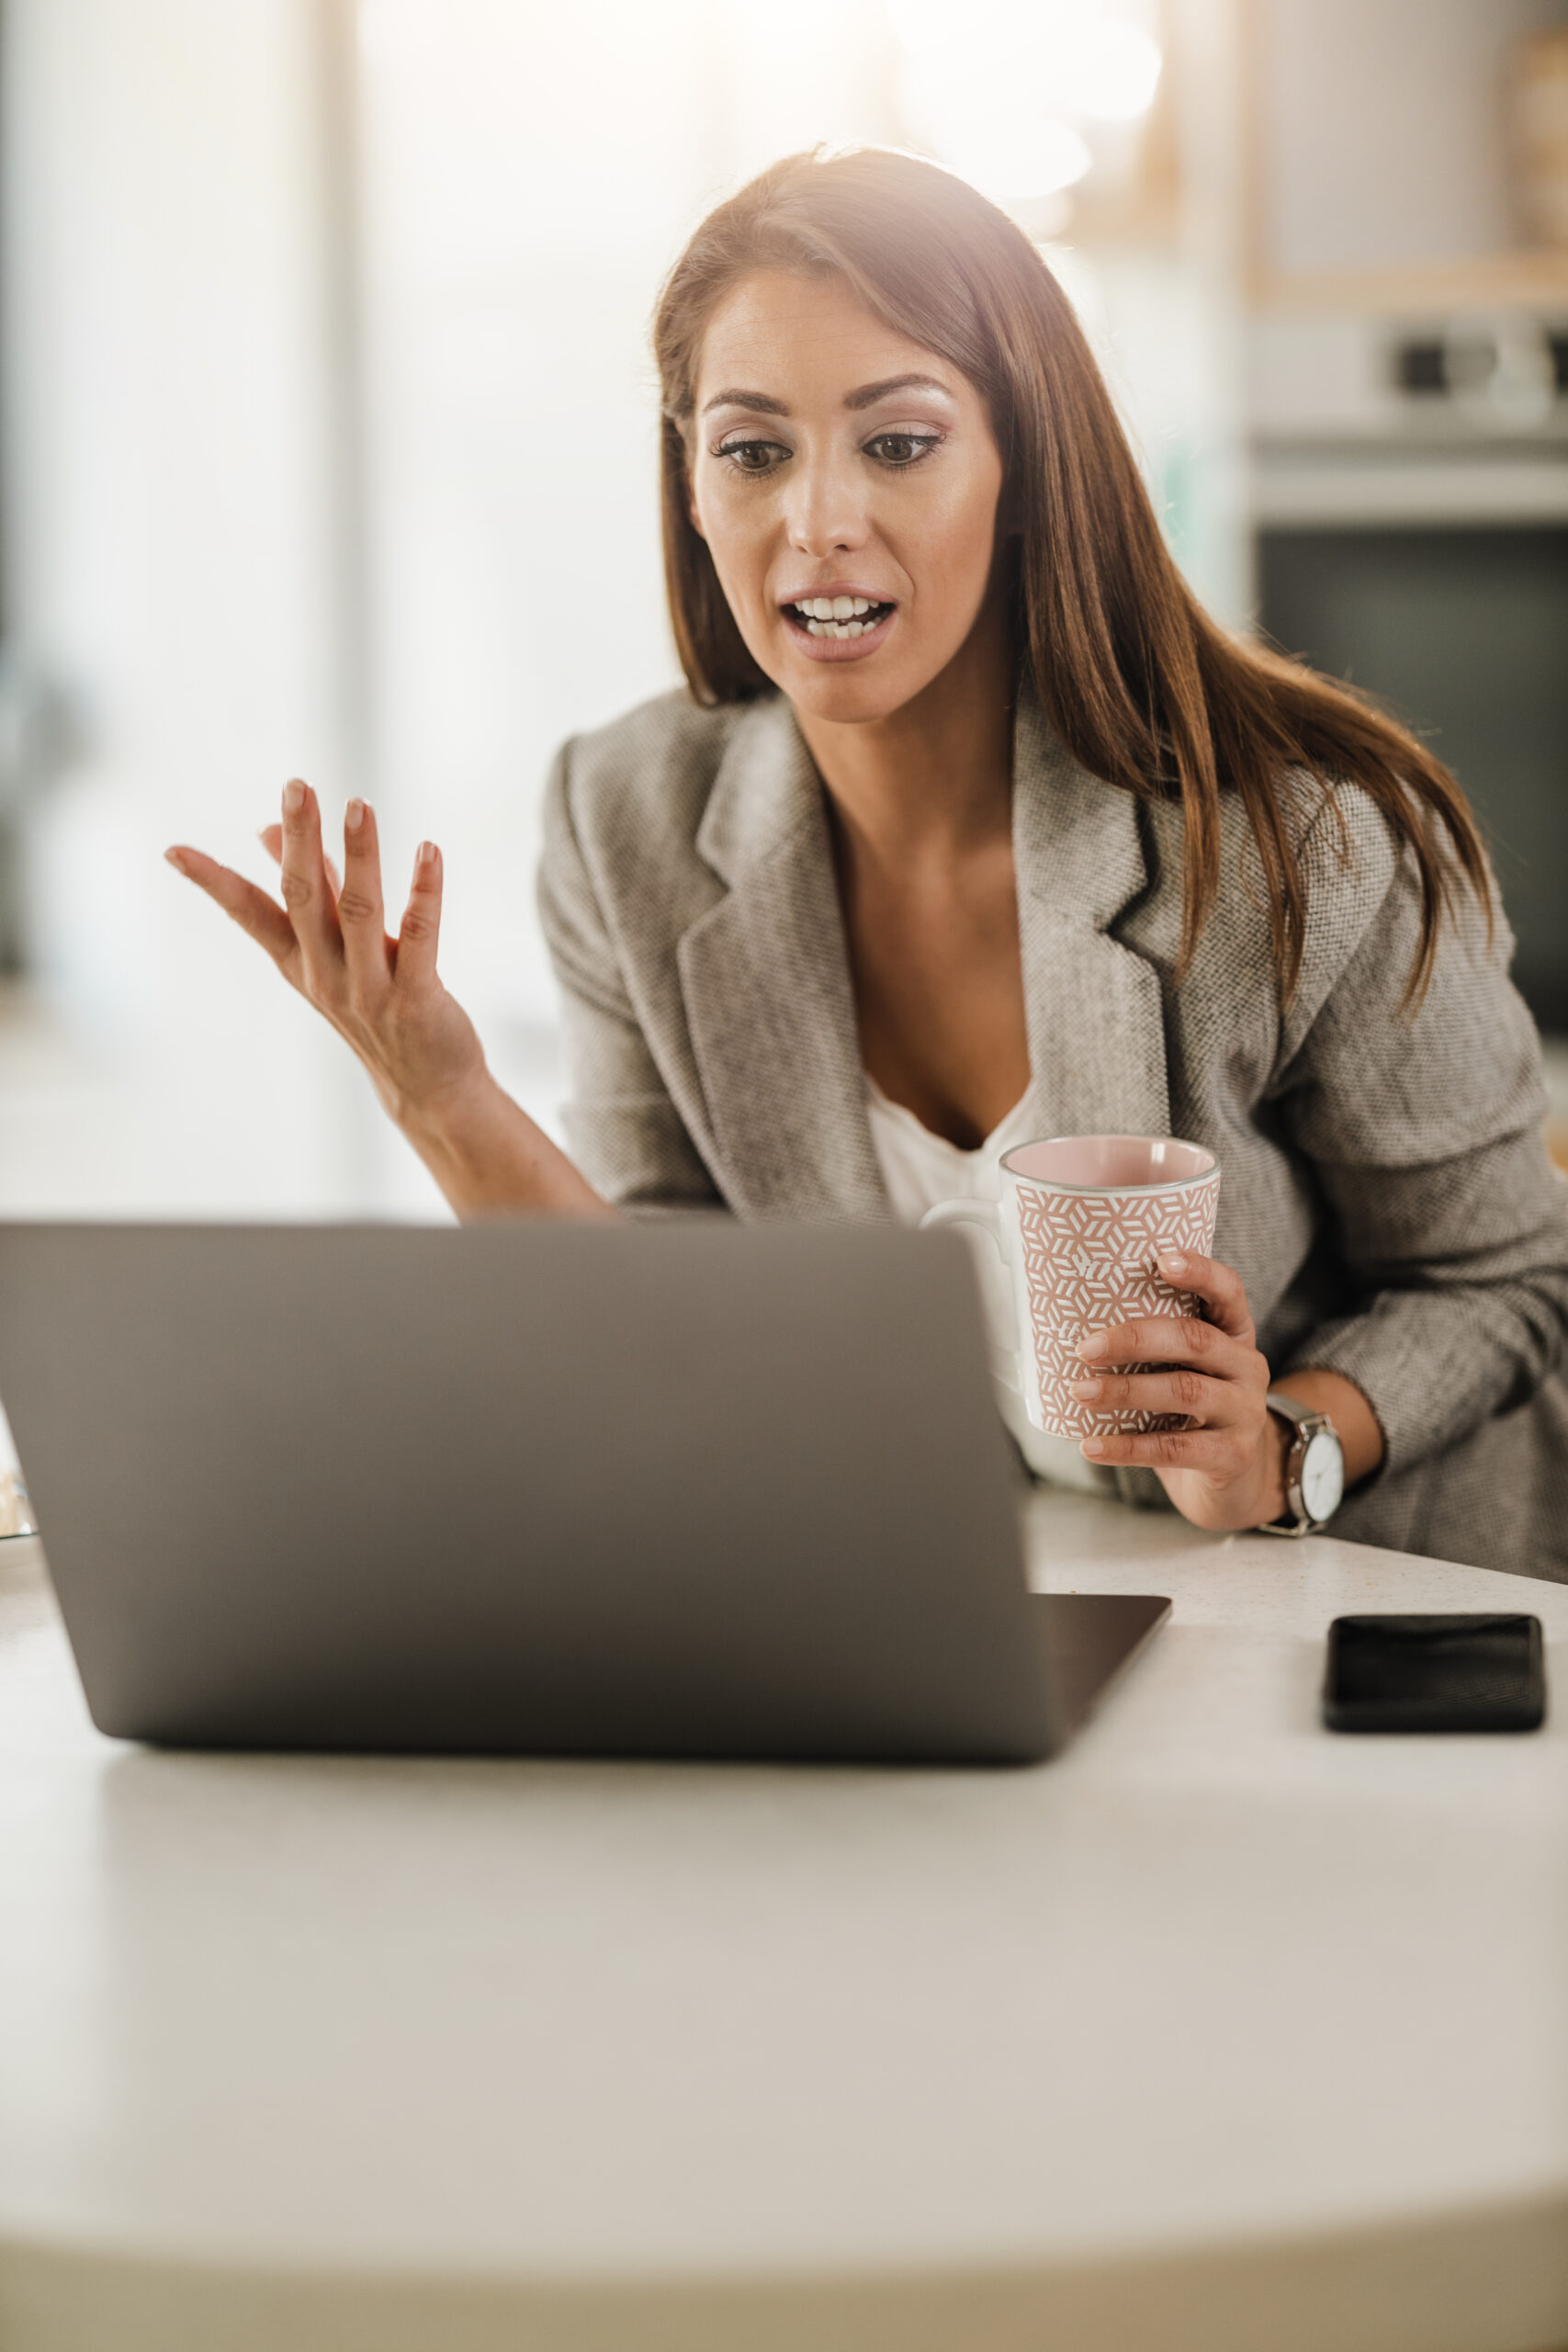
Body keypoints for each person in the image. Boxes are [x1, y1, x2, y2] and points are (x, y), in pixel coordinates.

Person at [167, 148, 1568, 1577]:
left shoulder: (1298, 843)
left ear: (1025, 473)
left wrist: (1282, 1443)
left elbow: (1507, 1280)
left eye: (898, 444)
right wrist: (436, 1088)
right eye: (752, 448)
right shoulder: (624, 816)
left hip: (1366, 1621)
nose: (816, 519)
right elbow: (668, 1334)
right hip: (979, 1603)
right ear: (693, 488)